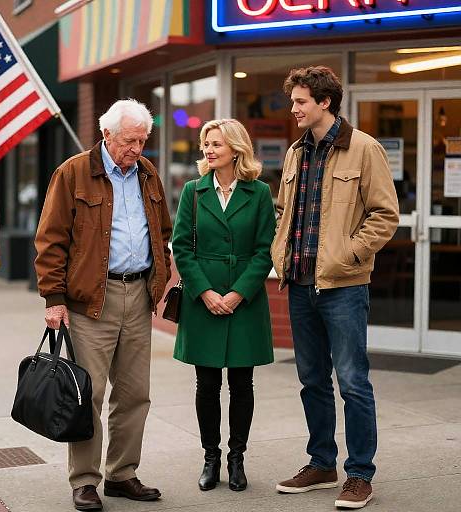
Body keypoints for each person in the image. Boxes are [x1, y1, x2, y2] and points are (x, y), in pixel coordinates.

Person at [34, 99, 172, 511]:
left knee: (134, 394)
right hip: (91, 299)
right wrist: (53, 299)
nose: (137, 148)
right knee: (87, 395)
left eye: (143, 140)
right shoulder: (73, 172)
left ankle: (122, 473)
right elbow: (51, 238)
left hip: (138, 296)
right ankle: (85, 480)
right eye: (130, 140)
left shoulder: (148, 173)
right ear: (107, 134)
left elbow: (162, 228)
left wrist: (159, 278)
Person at [271, 66, 399, 509]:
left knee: (352, 382)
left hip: (343, 287)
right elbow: (285, 210)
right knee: (312, 380)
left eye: (301, 101)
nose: (294, 108)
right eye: (294, 101)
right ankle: (322, 462)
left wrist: (349, 255)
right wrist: (279, 253)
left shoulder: (364, 148)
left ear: (324, 102)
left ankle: (359, 473)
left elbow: (384, 215)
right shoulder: (295, 153)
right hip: (301, 285)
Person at [172, 119, 275, 493]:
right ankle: (211, 458)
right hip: (204, 301)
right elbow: (181, 247)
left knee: (242, 383)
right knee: (207, 383)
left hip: (244, 301)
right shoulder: (193, 192)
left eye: (216, 144)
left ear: (236, 148)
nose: (209, 150)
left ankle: (237, 458)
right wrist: (204, 292)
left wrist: (238, 293)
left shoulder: (260, 192)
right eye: (206, 144)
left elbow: (266, 249)